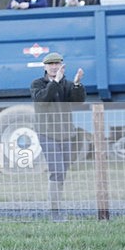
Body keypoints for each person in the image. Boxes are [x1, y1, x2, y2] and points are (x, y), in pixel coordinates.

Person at [30, 52, 86, 221]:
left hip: (66, 133)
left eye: (57, 64)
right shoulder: (37, 84)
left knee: (62, 172)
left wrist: (77, 84)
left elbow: (78, 101)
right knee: (57, 171)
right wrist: (54, 82)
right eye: (51, 64)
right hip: (47, 133)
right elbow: (42, 100)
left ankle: (57, 205)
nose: (54, 67)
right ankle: (55, 212)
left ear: (62, 65)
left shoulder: (67, 84)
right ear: (45, 67)